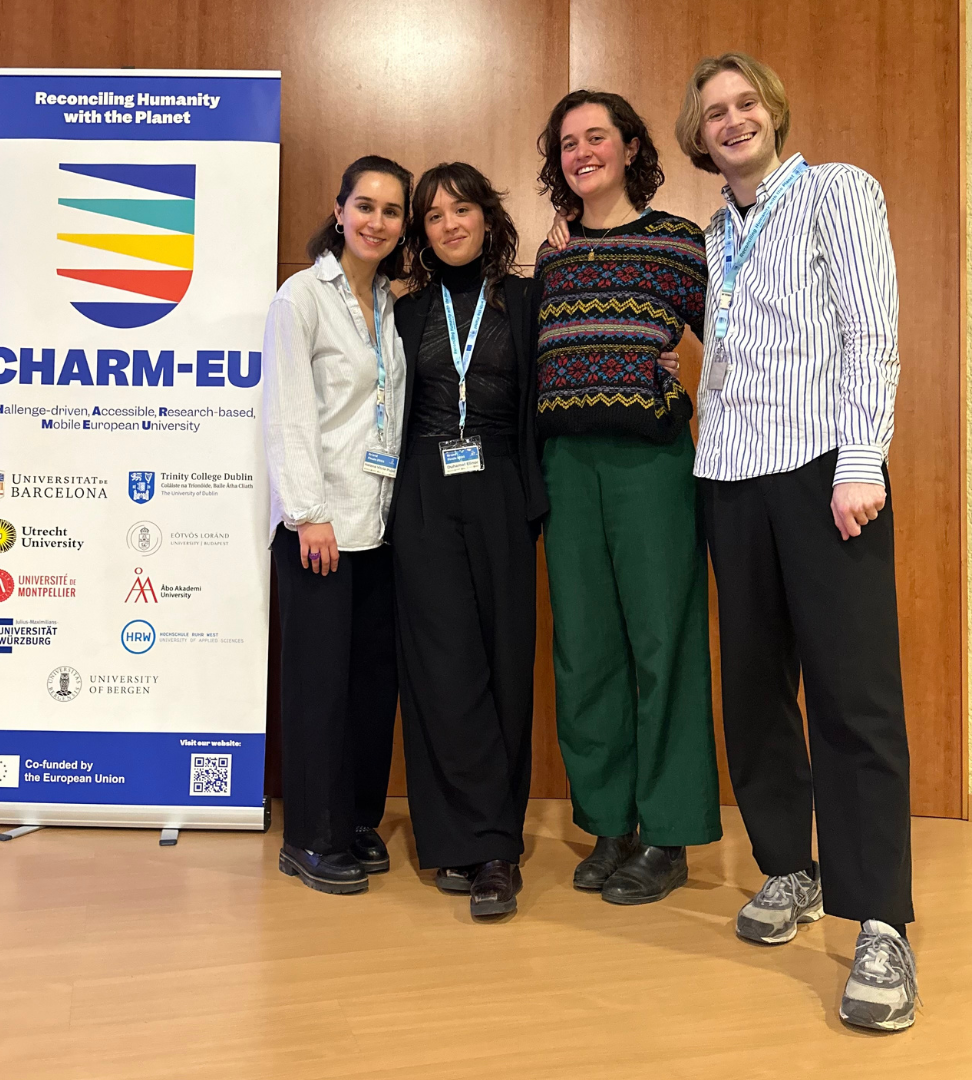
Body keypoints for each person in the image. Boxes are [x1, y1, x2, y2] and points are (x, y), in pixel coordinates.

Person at [675, 53, 916, 1031]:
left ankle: (883, 926)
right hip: (729, 479)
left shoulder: (836, 192)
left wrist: (863, 459)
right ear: (700, 138)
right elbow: (735, 342)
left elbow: (872, 333)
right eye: (714, 113)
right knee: (755, 691)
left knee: (855, 700)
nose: (732, 121)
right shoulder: (711, 233)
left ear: (773, 112)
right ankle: (791, 869)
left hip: (826, 472)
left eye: (745, 105)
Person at [534, 90, 722, 907]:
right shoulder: (551, 257)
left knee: (663, 645)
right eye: (568, 142)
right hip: (566, 467)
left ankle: (671, 832)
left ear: (631, 146)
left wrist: (701, 410)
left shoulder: (680, 242)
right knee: (584, 650)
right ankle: (610, 825)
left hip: (652, 469)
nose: (582, 152)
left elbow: (735, 343)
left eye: (596, 137)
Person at [388, 162, 548, 918]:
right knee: (442, 668)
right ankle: (461, 841)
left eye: (463, 208)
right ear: (420, 234)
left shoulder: (526, 298)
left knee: (502, 664)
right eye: (434, 215)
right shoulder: (405, 311)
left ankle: (497, 844)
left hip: (501, 492)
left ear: (488, 216)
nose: (450, 223)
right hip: (422, 492)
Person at [262, 155, 412, 895]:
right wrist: (308, 514)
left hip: (378, 524)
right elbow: (289, 411)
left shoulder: (387, 301)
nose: (377, 221)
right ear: (339, 208)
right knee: (319, 686)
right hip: (319, 528)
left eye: (391, 211)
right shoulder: (303, 297)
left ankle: (354, 818)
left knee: (368, 684)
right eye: (366, 205)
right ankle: (310, 837)